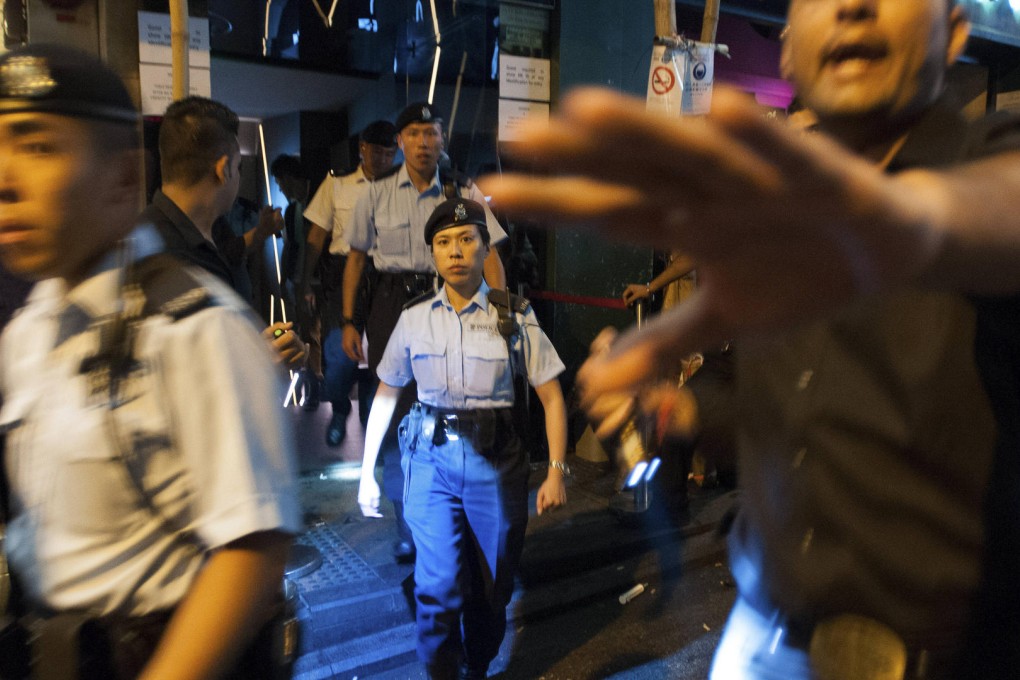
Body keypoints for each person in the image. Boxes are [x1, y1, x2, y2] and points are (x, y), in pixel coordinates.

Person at [483, 1, 1020, 678]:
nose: (854, 5)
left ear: (956, 33)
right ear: (790, 50)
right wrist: (674, 410)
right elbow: (795, 415)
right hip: (758, 636)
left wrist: (911, 220)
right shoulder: (774, 213)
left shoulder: (992, 162)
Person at [0, 44, 301, 678]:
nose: (5, 178)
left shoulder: (190, 327)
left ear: (121, 177)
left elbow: (252, 550)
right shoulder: (27, 333)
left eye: (38, 146)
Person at [357, 198, 567, 679]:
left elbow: (553, 397)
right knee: (440, 584)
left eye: (466, 239)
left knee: (493, 586)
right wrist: (367, 471)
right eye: (444, 242)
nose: (455, 251)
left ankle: (478, 664)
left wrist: (556, 472)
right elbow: (388, 392)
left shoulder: (511, 315)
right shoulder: (413, 317)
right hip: (429, 460)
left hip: (496, 463)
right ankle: (442, 671)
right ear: (432, 253)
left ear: (484, 248)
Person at [342, 102, 509, 562]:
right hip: (392, 304)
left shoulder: (461, 191)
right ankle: (408, 523)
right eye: (413, 133)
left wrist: (501, 309)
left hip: (449, 300)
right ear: (400, 141)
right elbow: (356, 258)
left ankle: (457, 509)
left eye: (431, 133)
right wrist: (348, 320)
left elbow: (490, 253)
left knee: (453, 403)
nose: (423, 142)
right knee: (397, 414)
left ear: (442, 140)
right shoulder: (374, 193)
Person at [140, 96, 306, 368]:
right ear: (224, 169)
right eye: (238, 166)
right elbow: (184, 370)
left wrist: (256, 344)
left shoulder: (214, 227)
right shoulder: (157, 251)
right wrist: (261, 362)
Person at [299, 120, 398, 444]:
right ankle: (340, 408)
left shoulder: (400, 186)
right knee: (338, 354)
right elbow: (316, 236)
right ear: (362, 150)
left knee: (381, 352)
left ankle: (371, 420)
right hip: (342, 272)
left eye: (388, 153)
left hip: (384, 273)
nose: (382, 159)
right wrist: (306, 280)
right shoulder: (338, 184)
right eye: (376, 152)